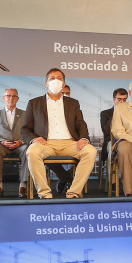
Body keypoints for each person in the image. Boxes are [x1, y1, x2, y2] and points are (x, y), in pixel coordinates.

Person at [21, 69, 97, 198]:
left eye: (59, 78)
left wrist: (84, 138)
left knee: (90, 151)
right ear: (46, 83)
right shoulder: (34, 103)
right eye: (52, 78)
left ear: (63, 83)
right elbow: (25, 129)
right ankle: (44, 193)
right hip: (46, 143)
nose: (55, 81)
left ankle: (73, 192)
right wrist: (34, 139)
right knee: (32, 151)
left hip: (69, 143)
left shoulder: (73, 103)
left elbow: (80, 123)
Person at [0, 88, 28, 198]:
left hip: (19, 145)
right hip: (2, 145)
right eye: (8, 95)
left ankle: (23, 185)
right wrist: (2, 141)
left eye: (14, 96)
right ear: (3, 98)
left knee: (28, 150)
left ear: (17, 99)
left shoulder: (25, 114)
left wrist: (20, 142)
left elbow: (28, 132)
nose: (11, 98)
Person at [100, 88, 129, 169]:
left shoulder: (130, 114)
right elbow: (106, 131)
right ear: (114, 100)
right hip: (112, 142)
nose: (122, 102)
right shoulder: (105, 113)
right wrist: (116, 112)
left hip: (127, 141)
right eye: (119, 99)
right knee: (111, 150)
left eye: (124, 100)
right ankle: (112, 181)